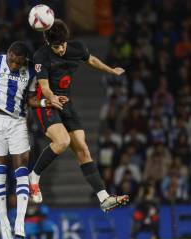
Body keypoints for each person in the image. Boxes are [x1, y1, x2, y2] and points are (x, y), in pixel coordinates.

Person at [0, 41, 67, 239]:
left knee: (21, 170)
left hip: (18, 122)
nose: (14, 65)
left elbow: (30, 99)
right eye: (12, 60)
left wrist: (48, 101)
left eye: (18, 63)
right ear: (8, 53)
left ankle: (19, 220)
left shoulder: (28, 70)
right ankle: (4, 222)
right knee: (0, 171)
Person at [29, 19, 129, 211]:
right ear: (48, 43)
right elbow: (44, 87)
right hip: (47, 104)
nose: (59, 50)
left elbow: (91, 60)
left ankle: (104, 198)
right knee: (62, 141)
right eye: (55, 46)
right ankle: (34, 176)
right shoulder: (41, 56)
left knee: (83, 149)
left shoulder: (77, 48)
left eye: (62, 45)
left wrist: (111, 70)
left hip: (66, 103)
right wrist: (52, 98)